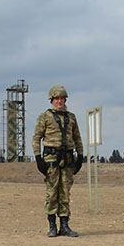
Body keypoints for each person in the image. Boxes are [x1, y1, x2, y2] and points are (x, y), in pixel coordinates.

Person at [32, 85, 85, 237]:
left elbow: (77, 139)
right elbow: (36, 138)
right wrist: (38, 158)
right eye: (57, 99)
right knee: (52, 193)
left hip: (68, 159)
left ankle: (65, 225)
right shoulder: (45, 117)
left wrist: (80, 157)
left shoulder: (71, 117)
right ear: (52, 100)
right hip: (51, 159)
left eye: (62, 99)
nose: (60, 101)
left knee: (65, 193)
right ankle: (52, 226)